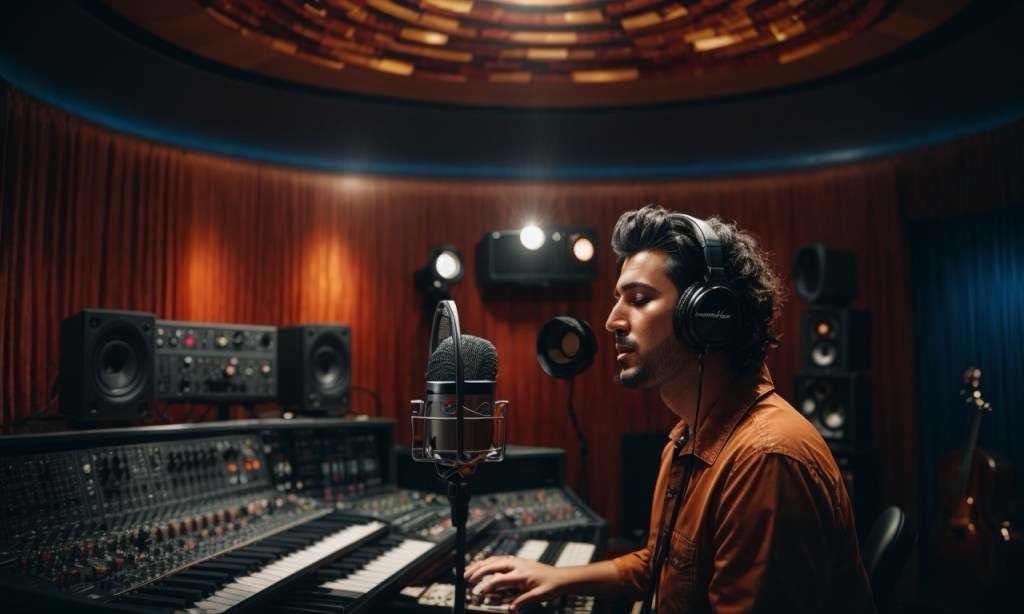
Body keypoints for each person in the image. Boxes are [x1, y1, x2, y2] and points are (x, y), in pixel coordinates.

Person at [465, 204, 875, 612]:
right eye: (618, 300)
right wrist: (558, 576)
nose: (612, 321)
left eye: (639, 299)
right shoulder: (684, 438)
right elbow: (657, 566)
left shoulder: (766, 459)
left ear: (707, 315)